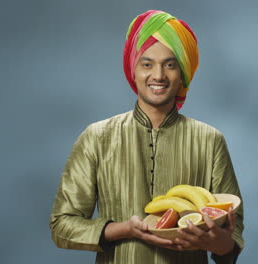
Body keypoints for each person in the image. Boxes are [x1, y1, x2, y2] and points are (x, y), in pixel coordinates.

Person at [49, 10, 244, 264]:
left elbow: (233, 234)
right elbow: (62, 225)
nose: (159, 75)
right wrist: (121, 229)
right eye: (147, 63)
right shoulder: (96, 138)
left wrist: (220, 244)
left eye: (170, 64)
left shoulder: (209, 140)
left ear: (183, 72)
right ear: (134, 68)